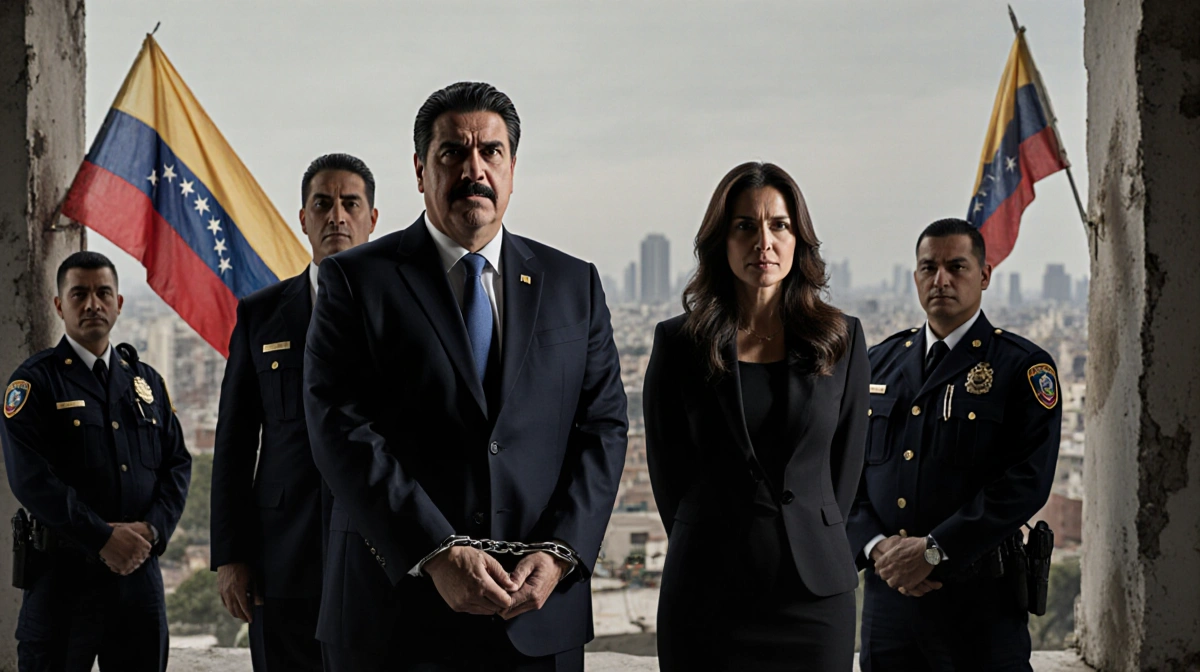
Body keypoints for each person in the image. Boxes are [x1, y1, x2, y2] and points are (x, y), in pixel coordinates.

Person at [303, 81, 628, 671]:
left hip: (537, 613)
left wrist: (559, 554)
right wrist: (435, 552)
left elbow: (602, 428)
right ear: (421, 169)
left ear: (512, 168)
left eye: (491, 153)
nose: (473, 170)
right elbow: (338, 426)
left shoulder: (573, 284)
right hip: (392, 614)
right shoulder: (355, 281)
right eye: (452, 153)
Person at [643, 162, 869, 671]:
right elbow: (668, 475)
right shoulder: (679, 343)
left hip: (814, 597)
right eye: (745, 225)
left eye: (779, 225)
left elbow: (845, 471)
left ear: (798, 240)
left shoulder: (842, 339)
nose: (763, 241)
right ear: (721, 240)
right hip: (706, 593)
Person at [848, 218, 1062, 671]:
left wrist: (933, 551)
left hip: (979, 607)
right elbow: (845, 473)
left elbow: (1026, 482)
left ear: (984, 275)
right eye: (929, 267)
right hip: (890, 606)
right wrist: (875, 547)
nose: (940, 280)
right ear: (915, 277)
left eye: (956, 267)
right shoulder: (879, 363)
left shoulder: (1020, 367)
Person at [210, 153, 379, 671]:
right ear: (302, 218)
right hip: (282, 557)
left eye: (351, 204)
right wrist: (230, 555)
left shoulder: (403, 313)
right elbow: (235, 442)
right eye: (322, 204)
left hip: (379, 552)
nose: (336, 217)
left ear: (373, 219)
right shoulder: (262, 314)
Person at [1, 251, 192, 672]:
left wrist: (152, 529)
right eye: (80, 294)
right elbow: (31, 480)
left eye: (104, 293)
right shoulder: (34, 383)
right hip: (63, 581)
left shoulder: (146, 383)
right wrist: (102, 537)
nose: (93, 304)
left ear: (119, 303)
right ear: (59, 305)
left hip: (138, 580)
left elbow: (177, 464)